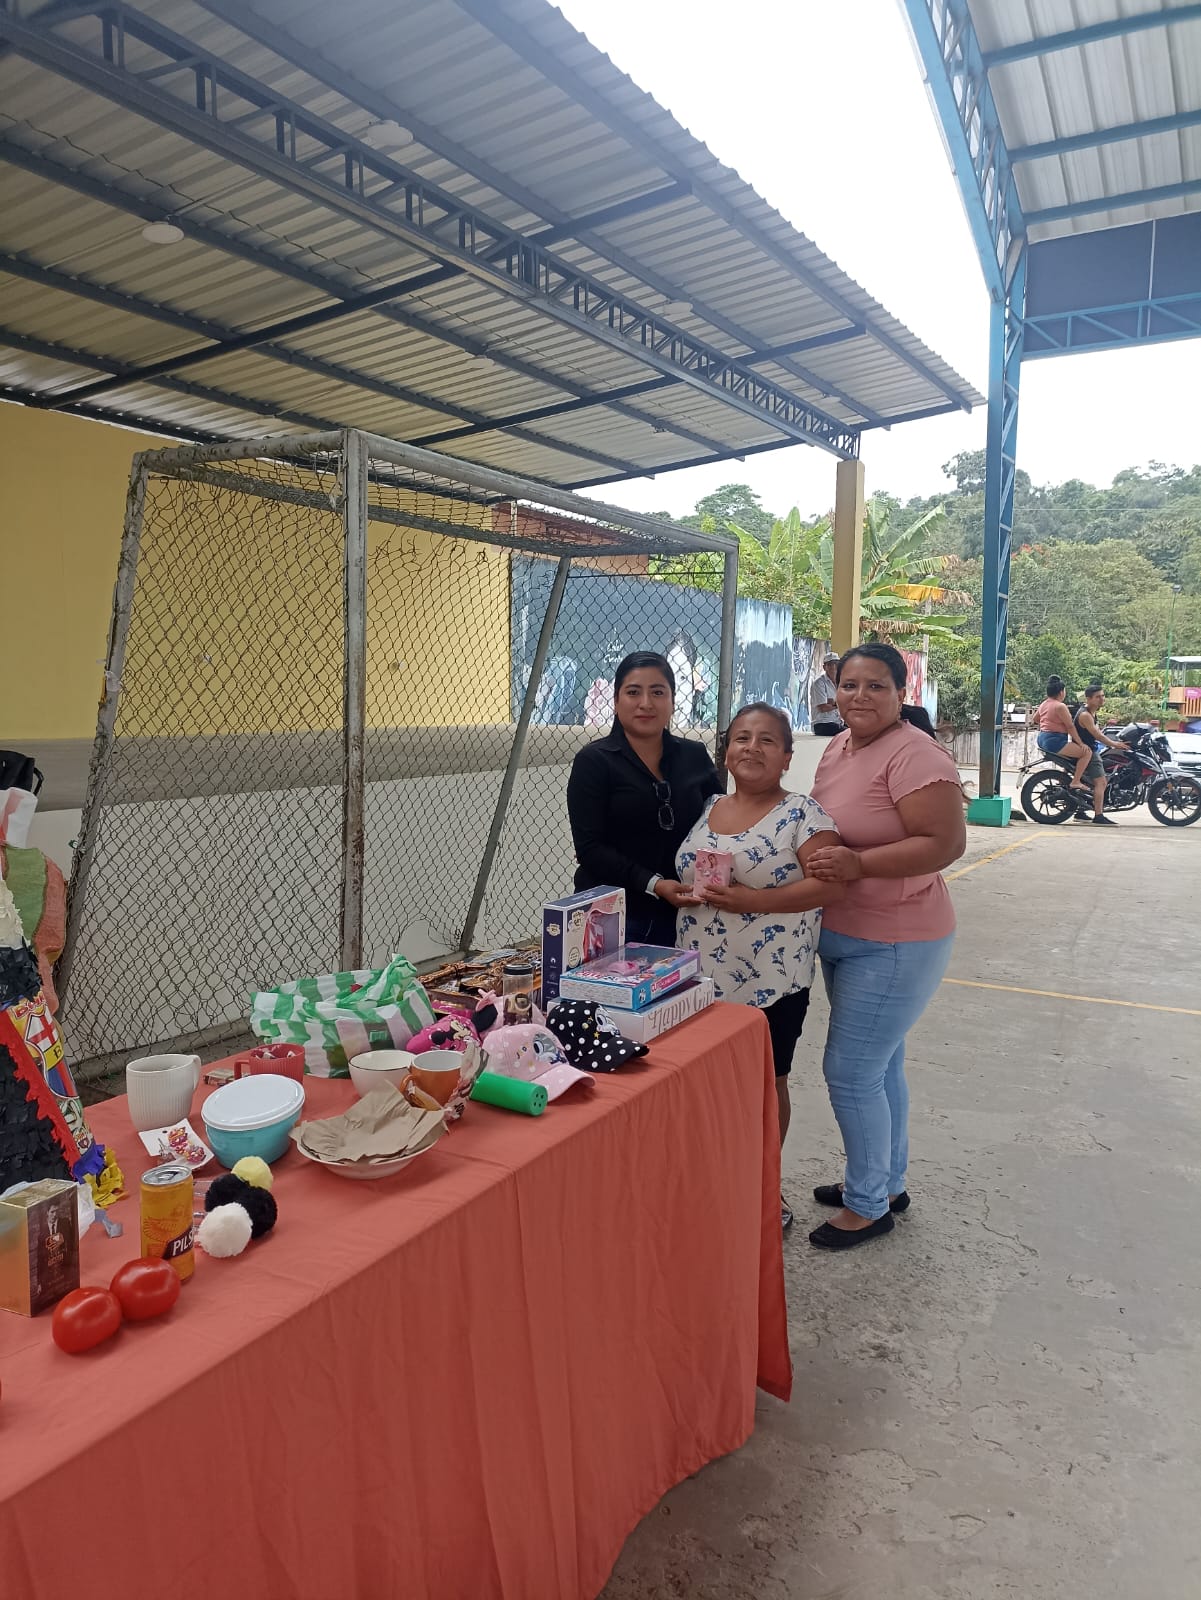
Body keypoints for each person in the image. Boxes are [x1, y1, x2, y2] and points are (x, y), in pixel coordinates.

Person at [807, 644, 967, 1252]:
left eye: (876, 686)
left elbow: (944, 843)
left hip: (896, 940)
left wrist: (859, 864)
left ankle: (868, 1206)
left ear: (902, 694)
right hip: (845, 933)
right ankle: (884, 1182)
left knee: (850, 1073)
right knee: (881, 1065)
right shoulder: (840, 746)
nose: (859, 696)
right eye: (849, 684)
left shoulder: (915, 755)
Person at [675, 705, 843, 1232]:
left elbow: (831, 885)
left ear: (787, 756)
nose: (752, 748)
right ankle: (712, 1181)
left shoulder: (804, 815)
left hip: (771, 981)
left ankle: (764, 1187)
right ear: (726, 752)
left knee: (767, 1084)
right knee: (706, 1086)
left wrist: (754, 901)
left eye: (767, 740)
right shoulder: (708, 807)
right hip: (697, 979)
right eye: (742, 738)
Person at [567, 652, 720, 946]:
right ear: (616, 701)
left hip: (686, 912)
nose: (646, 703)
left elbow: (721, 821)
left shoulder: (694, 755)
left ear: (673, 701)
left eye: (658, 692)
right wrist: (655, 884)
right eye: (633, 692)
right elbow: (589, 849)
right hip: (612, 916)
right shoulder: (594, 761)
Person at [1071, 685, 1129, 826]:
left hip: (1090, 749)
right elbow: (1098, 735)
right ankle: (1098, 815)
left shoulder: (1091, 712)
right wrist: (1115, 744)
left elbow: (1098, 733)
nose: (1102, 699)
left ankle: (1080, 811)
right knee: (1101, 782)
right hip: (1089, 751)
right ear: (1088, 699)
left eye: (1103, 696)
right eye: (1098, 697)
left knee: (1091, 781)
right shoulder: (1085, 715)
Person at [1035, 676, 1091, 795]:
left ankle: (1064, 779)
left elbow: (1035, 719)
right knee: (1086, 753)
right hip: (1055, 741)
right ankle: (1076, 781)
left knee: (1070, 759)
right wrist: (1081, 743)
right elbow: (1070, 726)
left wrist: (1049, 723)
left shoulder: (1044, 704)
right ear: (1061, 692)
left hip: (1042, 738)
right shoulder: (1060, 706)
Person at [809, 653, 842, 736]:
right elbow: (823, 708)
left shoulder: (841, 682)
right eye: (830, 664)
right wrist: (839, 704)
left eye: (836, 664)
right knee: (849, 733)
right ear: (824, 667)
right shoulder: (819, 683)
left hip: (838, 722)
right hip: (822, 723)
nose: (834, 667)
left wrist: (833, 703)